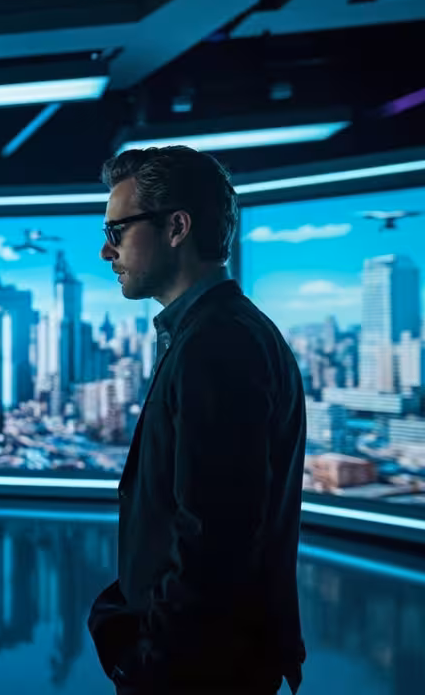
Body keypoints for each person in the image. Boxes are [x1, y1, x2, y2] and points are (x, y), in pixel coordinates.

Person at [87, 146, 307, 695]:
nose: (104, 250)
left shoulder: (220, 343)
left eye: (118, 230)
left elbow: (214, 539)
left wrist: (146, 664)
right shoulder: (215, 332)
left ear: (177, 227)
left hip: (198, 673)